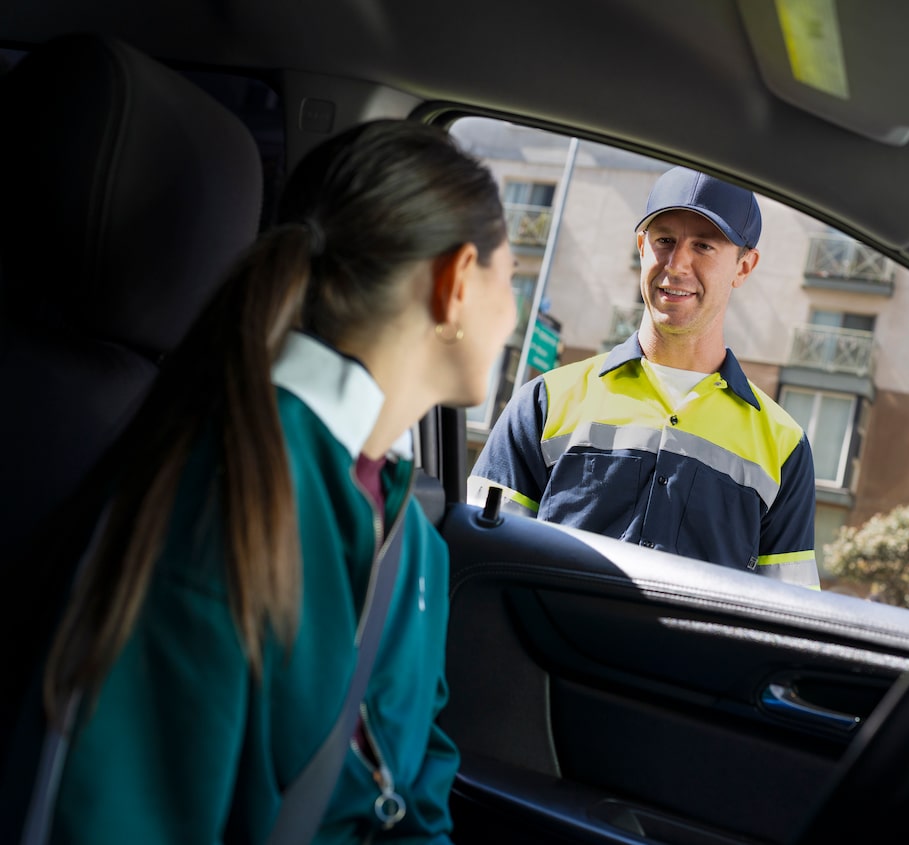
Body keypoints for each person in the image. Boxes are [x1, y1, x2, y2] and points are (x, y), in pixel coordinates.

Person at [41, 120, 516, 843]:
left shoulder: (416, 545)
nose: (514, 317)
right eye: (508, 280)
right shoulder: (234, 490)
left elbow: (417, 801)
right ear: (454, 285)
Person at [469, 167, 820, 589]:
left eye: (704, 246)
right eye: (664, 241)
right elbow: (477, 565)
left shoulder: (784, 448)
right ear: (641, 246)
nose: (676, 265)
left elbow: (789, 614)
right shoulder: (543, 402)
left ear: (744, 267)